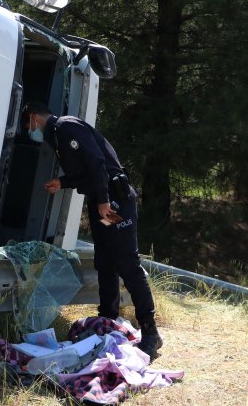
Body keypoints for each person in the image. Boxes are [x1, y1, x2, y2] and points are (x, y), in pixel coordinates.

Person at [20, 101, 163, 358]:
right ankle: (107, 321)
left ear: (33, 118)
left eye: (28, 125)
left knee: (127, 263)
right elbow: (85, 173)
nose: (30, 131)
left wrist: (104, 200)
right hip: (103, 204)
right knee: (106, 262)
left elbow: (97, 163)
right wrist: (62, 182)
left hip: (113, 203)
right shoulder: (57, 136)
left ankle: (151, 333)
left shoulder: (65, 127)